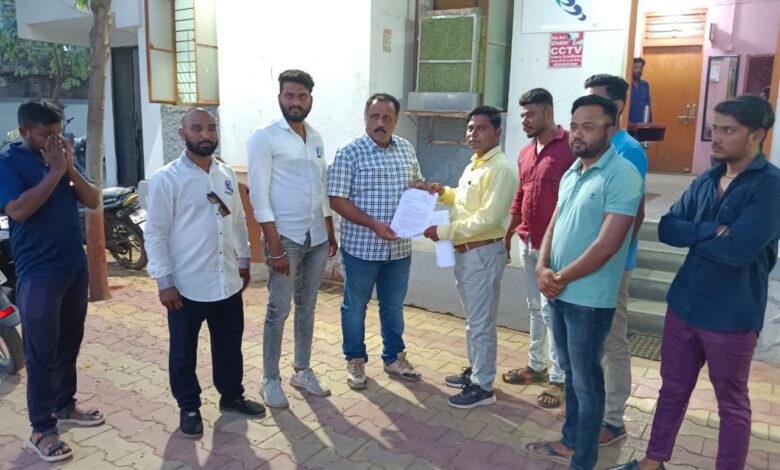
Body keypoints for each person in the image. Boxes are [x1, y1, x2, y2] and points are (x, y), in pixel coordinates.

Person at [610, 96, 779, 470]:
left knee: (730, 402)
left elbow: (739, 251)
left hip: (732, 314)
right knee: (672, 389)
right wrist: (712, 230)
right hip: (685, 304)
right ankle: (653, 461)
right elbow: (668, 228)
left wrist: (696, 234)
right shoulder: (708, 179)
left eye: (728, 130)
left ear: (757, 135)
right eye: (714, 129)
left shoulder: (770, 186)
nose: (716, 138)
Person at [525, 95, 642, 470]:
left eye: (588, 127)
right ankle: (569, 442)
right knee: (572, 375)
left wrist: (558, 277)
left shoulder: (622, 174)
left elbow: (608, 244)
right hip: (559, 292)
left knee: (587, 383)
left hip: (589, 300)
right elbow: (554, 224)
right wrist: (542, 266)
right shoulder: (573, 171)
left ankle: (583, 460)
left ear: (610, 129)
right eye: (575, 126)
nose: (578, 133)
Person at [145, 107, 265, 439]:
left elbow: (236, 219)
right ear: (182, 133)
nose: (205, 134)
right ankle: (189, 405)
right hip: (185, 285)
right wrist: (164, 281)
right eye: (197, 128)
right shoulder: (167, 178)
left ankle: (231, 395)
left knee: (229, 344)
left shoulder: (225, 174)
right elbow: (155, 233)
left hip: (226, 280)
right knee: (183, 350)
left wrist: (244, 260)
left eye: (210, 128)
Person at [0, 99, 102, 462]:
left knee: (68, 344)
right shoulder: (8, 161)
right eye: (47, 134)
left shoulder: (61, 158)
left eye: (59, 133)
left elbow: (93, 200)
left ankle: (64, 405)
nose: (55, 141)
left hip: (73, 266)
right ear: (25, 131)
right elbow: (18, 210)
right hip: (38, 273)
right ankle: (41, 429)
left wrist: (68, 166)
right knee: (41, 354)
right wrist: (56, 172)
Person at [247, 70, 337, 408]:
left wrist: (329, 229)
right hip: (285, 237)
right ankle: (269, 379)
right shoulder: (264, 137)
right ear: (279, 98)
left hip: (316, 237)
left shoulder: (315, 137)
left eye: (301, 96)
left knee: (308, 306)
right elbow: (259, 194)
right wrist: (274, 245)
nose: (295, 102)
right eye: (289, 96)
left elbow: (321, 188)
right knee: (278, 309)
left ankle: (302, 370)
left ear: (310, 99)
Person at [327, 93, 424, 390]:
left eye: (387, 118)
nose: (380, 123)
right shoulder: (349, 153)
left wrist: (422, 188)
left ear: (396, 121)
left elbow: (416, 183)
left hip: (399, 248)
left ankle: (394, 358)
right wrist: (373, 224)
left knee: (393, 306)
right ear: (365, 118)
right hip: (362, 249)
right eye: (374, 116)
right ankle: (355, 360)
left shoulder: (405, 148)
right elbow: (336, 199)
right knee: (355, 307)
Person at [423, 106, 517, 409]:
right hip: (467, 253)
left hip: (482, 252)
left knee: (481, 323)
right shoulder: (475, 165)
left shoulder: (500, 169)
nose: (473, 133)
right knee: (475, 321)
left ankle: (483, 386)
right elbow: (464, 203)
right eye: (470, 128)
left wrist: (444, 231)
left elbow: (488, 219)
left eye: (481, 128)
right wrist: (443, 193)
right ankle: (476, 372)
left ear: (497, 131)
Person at [585, 74, 648, 446]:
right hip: (585, 263)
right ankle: (593, 408)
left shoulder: (628, 150)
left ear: (618, 106)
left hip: (611, 265)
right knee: (589, 343)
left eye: (596, 100)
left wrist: (614, 255)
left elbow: (634, 212)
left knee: (612, 341)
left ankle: (612, 420)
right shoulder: (593, 147)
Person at [502, 88, 575, 410]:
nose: (525, 120)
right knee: (534, 308)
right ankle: (537, 365)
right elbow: (521, 194)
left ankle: (559, 378)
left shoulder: (570, 148)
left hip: (555, 246)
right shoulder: (525, 152)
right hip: (528, 240)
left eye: (530, 114)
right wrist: (509, 233)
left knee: (553, 311)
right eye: (522, 115)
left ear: (548, 112)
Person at [628, 57, 652, 124]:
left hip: (642, 124)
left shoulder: (645, 85)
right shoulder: (626, 85)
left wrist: (649, 124)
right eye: (636, 67)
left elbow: (648, 105)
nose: (639, 70)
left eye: (641, 68)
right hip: (628, 124)